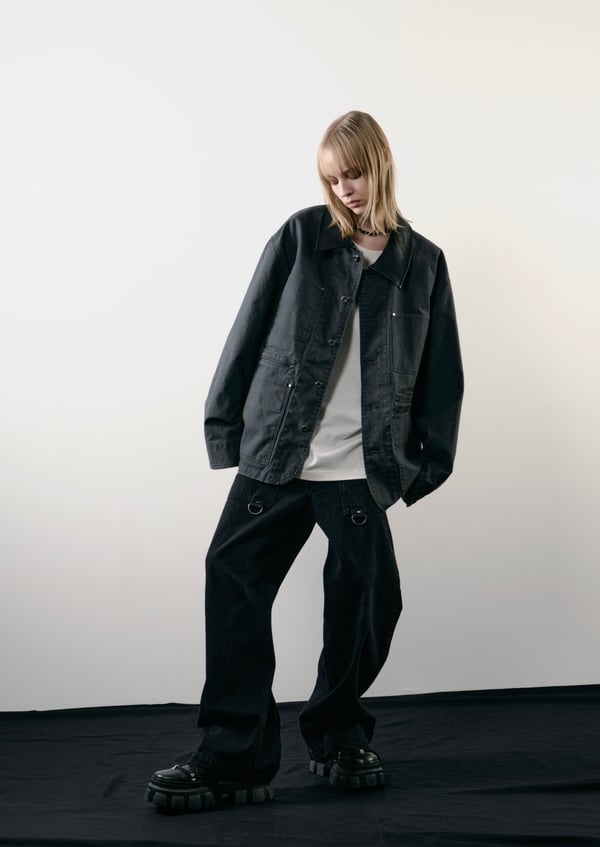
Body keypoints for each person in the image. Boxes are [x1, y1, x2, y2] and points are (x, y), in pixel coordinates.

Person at [145, 111, 463, 812]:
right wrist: (225, 427)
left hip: (359, 467)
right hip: (280, 454)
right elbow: (249, 328)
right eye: (331, 178)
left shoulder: (423, 263)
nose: (343, 189)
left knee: (369, 601)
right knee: (232, 578)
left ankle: (338, 731)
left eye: (353, 173)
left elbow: (442, 372)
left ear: (379, 164)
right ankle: (233, 754)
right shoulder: (300, 237)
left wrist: (424, 465)